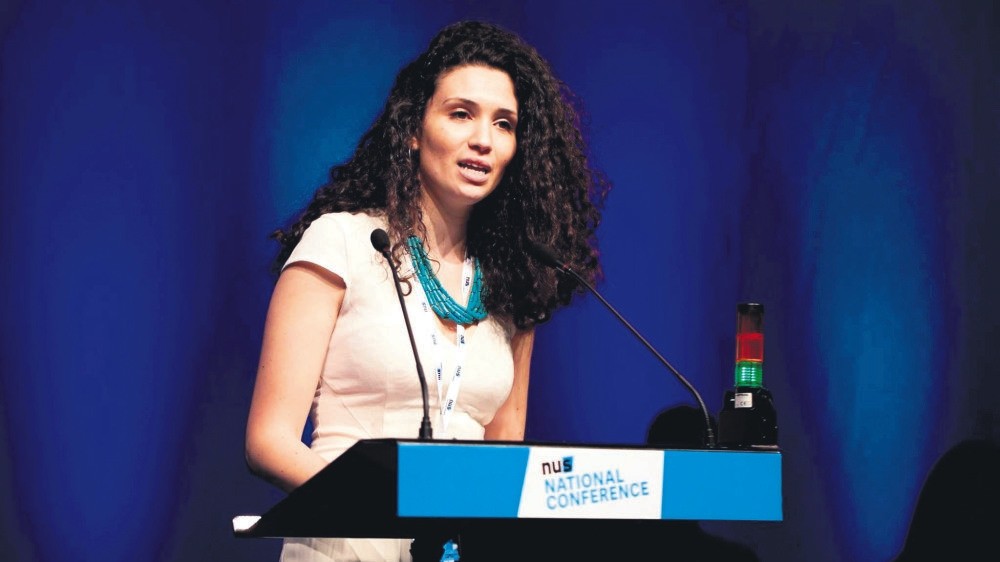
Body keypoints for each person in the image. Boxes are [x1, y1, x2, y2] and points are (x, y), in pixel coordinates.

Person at [244, 20, 608, 562]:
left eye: (504, 123)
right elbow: (268, 442)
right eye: (461, 113)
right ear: (414, 129)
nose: (483, 139)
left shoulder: (514, 283)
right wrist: (390, 506)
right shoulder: (341, 241)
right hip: (346, 546)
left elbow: (503, 458)